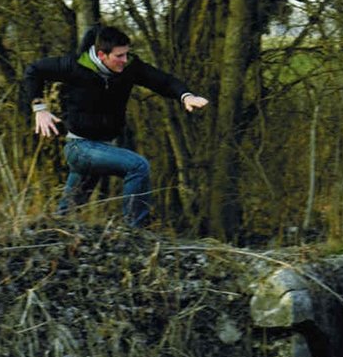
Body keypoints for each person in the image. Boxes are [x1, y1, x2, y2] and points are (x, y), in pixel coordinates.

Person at [22, 25, 209, 227]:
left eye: (126, 54)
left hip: (102, 148)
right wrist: (39, 108)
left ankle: (52, 234)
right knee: (137, 166)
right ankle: (134, 230)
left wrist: (186, 96)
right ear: (102, 55)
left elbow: (163, 81)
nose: (125, 61)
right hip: (80, 147)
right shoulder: (74, 66)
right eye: (119, 56)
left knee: (68, 213)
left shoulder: (129, 69)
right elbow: (34, 70)